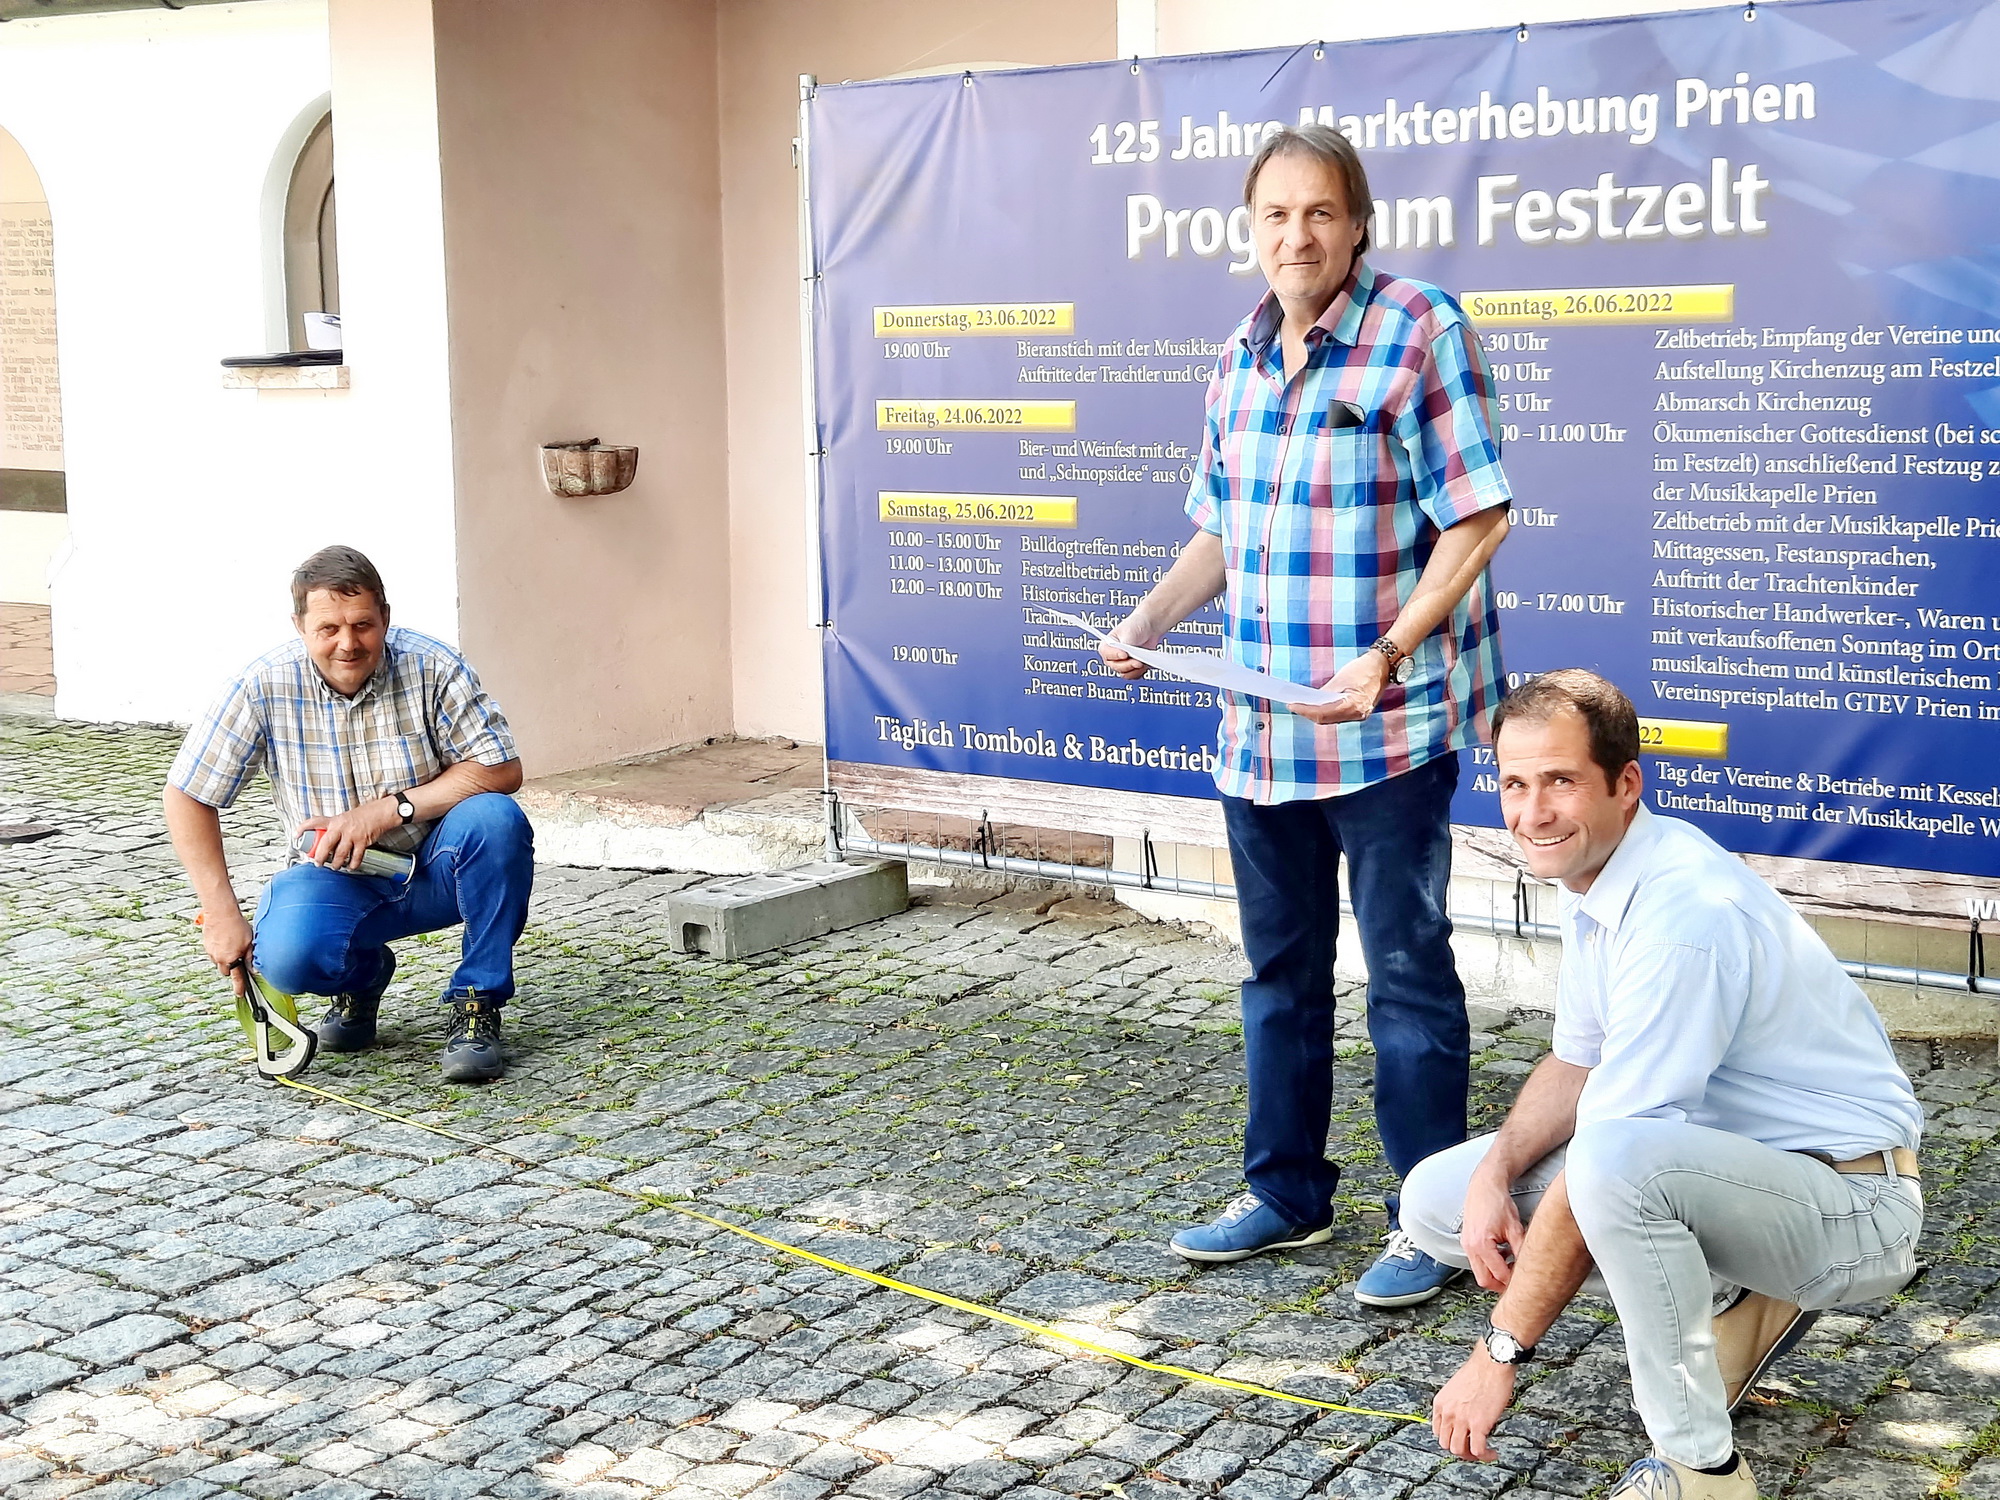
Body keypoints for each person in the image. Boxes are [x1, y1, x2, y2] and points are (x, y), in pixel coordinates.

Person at [1101, 123, 1512, 1305]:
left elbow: (1478, 516)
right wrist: (1145, 623)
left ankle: (1430, 1223)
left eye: (1319, 212)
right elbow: (1219, 533)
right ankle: (1284, 1194)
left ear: (1357, 224)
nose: (1297, 235)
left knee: (1406, 979)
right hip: (1262, 733)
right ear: (1250, 231)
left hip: (1384, 732)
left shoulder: (1419, 328)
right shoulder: (1237, 360)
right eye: (1275, 215)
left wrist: (1386, 656)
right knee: (1277, 977)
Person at [1407, 670, 1923, 1500]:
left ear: (1625, 783)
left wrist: (1497, 1353)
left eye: (1561, 781)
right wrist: (1494, 1173)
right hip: (1737, 1171)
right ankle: (1729, 1293)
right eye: (1514, 784)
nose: (1532, 813)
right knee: (1439, 1197)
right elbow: (1577, 1062)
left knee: (1616, 1164)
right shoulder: (1597, 874)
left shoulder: (1684, 915)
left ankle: (1702, 1470)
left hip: (1854, 1205)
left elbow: (1609, 1162)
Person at [164, 545, 534, 1083]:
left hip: (439, 864)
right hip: (335, 877)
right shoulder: (261, 685)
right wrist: (221, 912)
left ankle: (478, 1001)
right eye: (328, 628)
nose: (348, 643)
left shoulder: (434, 665)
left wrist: (387, 810)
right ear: (299, 626)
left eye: (363, 624)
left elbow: (501, 769)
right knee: (286, 957)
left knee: (496, 820)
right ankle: (361, 977)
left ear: (385, 616)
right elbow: (187, 795)